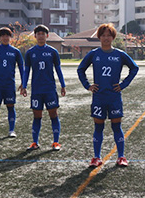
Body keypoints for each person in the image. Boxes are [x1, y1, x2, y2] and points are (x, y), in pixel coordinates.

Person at [77, 23, 138, 168]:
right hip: (98, 97)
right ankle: (96, 157)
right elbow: (81, 69)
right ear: (99, 37)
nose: (106, 38)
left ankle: (121, 157)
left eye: (109, 35)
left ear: (113, 37)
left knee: (116, 126)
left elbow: (134, 68)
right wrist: (87, 85)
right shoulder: (94, 54)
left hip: (114, 97)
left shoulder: (119, 54)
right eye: (103, 35)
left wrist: (123, 84)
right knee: (98, 127)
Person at [21, 25, 66, 150]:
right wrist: (24, 86)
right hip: (36, 90)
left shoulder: (53, 52)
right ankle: (35, 142)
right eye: (38, 34)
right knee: (37, 116)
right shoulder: (30, 52)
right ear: (35, 36)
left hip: (50, 89)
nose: (40, 36)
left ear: (47, 36)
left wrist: (63, 85)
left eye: (43, 34)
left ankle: (56, 142)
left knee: (53, 114)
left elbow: (58, 70)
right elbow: (26, 71)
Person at [0, 27, 25, 138]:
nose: (5, 37)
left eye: (7, 35)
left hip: (9, 84)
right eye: (3, 35)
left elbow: (22, 67)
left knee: (10, 107)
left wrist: (23, 82)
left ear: (10, 37)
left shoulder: (15, 51)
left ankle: (11, 130)